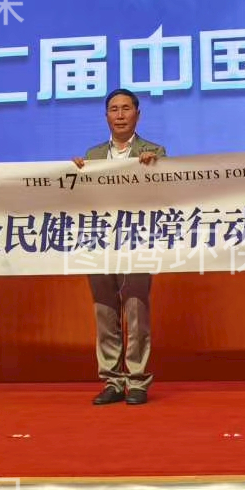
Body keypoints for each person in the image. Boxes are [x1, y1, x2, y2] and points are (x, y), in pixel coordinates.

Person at [72, 88, 166, 405]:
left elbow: (168, 194)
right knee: (105, 312)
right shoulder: (93, 154)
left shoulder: (155, 151)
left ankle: (137, 380)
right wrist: (73, 174)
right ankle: (112, 381)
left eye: (126, 108)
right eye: (114, 109)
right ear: (106, 116)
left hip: (137, 241)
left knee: (136, 311)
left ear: (137, 114)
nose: (120, 114)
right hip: (100, 242)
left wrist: (155, 169)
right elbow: (81, 198)